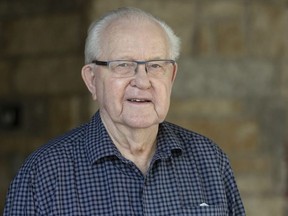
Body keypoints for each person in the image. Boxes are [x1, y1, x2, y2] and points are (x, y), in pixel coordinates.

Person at [4, 7, 245, 215]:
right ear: (91, 80)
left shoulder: (210, 160)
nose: (142, 81)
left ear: (171, 76)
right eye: (123, 65)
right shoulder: (44, 174)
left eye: (155, 66)